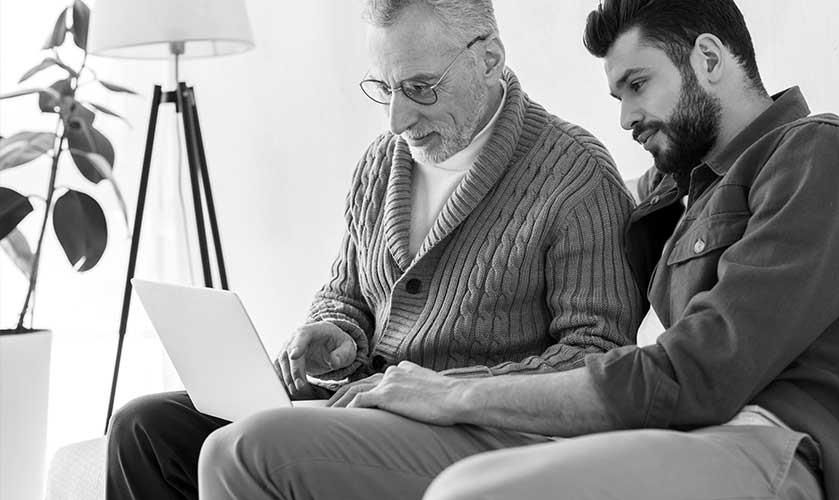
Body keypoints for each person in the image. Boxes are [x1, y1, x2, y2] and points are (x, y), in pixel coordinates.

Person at [196, 1, 839, 499]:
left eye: (637, 84)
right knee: (165, 431)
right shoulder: (677, 191)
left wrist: (456, 393)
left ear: (710, 59)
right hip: (693, 431)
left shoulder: (817, 155)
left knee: (469, 491)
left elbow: (693, 373)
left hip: (797, 443)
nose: (623, 115)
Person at [105, 1, 644, 498]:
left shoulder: (577, 177)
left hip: (485, 432)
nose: (397, 120)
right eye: (384, 89)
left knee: (247, 445)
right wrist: (334, 333)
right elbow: (345, 294)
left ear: (489, 60)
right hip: (365, 408)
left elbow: (597, 357)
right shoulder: (384, 162)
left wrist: (441, 389)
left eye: (420, 87)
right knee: (144, 428)